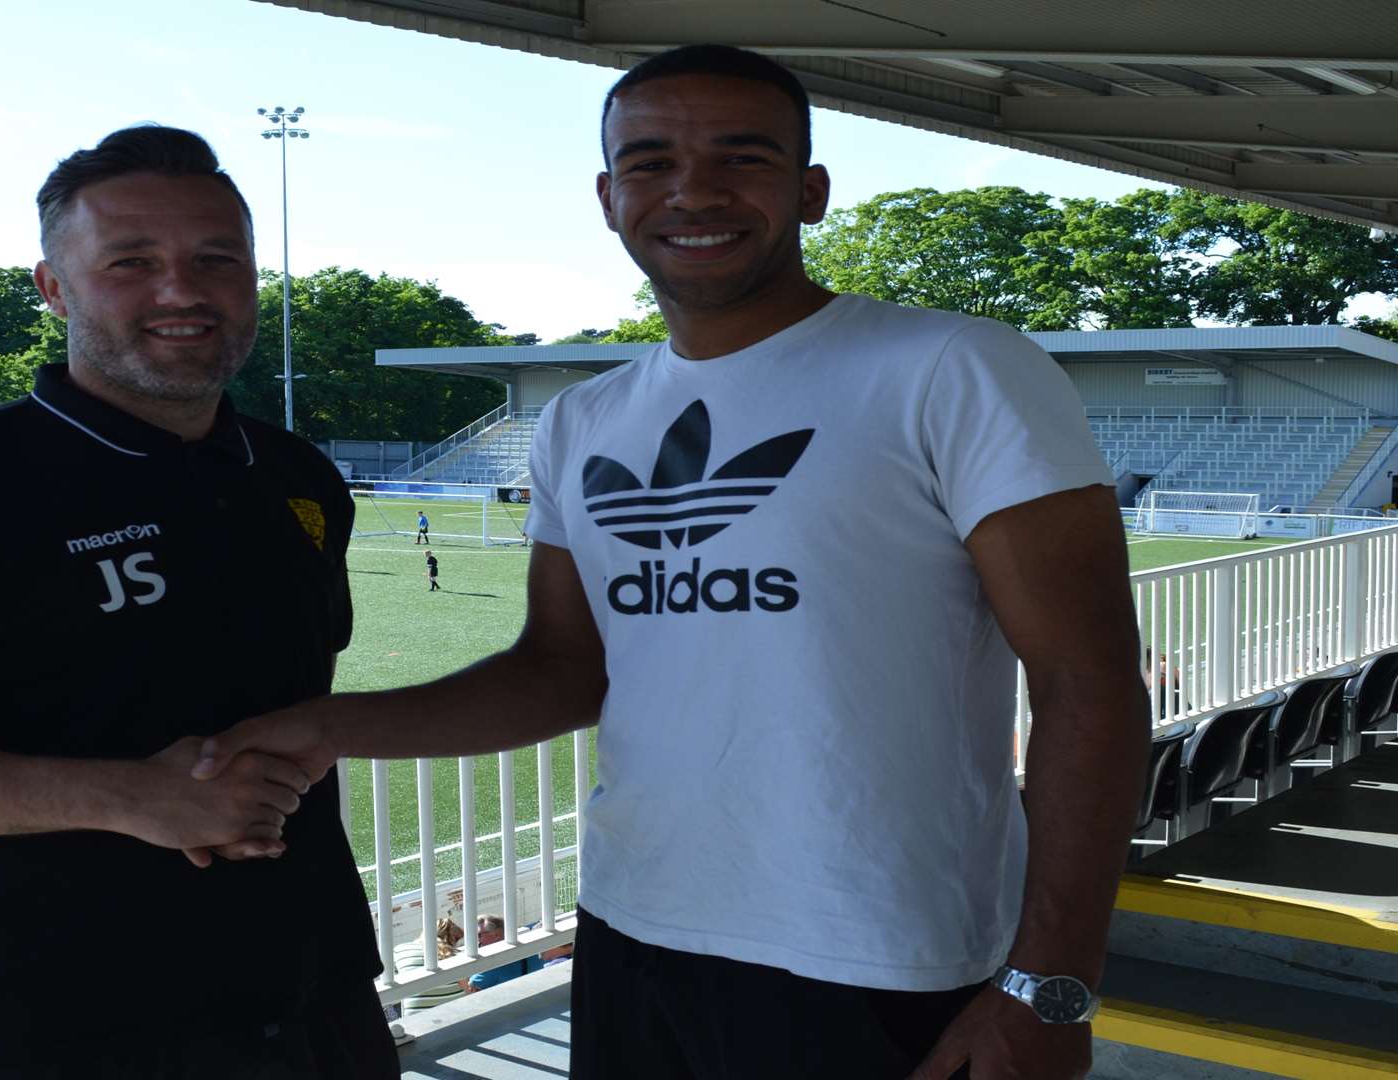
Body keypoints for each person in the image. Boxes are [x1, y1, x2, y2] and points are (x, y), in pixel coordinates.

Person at [193, 45, 1147, 1080]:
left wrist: (1050, 983)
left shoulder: (954, 369)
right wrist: (327, 727)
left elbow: (1086, 685)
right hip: (633, 930)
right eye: (649, 163)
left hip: (879, 952)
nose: (694, 191)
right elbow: (565, 669)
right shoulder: (583, 419)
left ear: (811, 190)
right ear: (608, 198)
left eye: (743, 157)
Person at [0, 126, 396, 1079]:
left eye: (216, 259)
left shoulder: (297, 477)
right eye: (131, 262)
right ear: (54, 287)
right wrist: (131, 797)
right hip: (45, 1026)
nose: (181, 290)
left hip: (313, 1001)